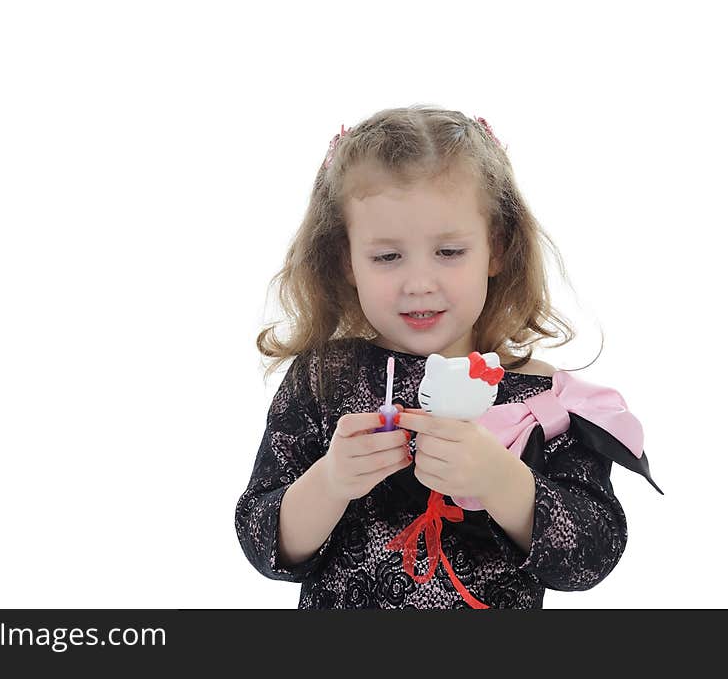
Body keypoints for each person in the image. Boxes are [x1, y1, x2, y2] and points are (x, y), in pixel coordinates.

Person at [234, 105, 661, 609]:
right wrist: (329, 482)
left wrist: (499, 479)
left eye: (449, 252)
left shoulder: (545, 399)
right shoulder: (324, 377)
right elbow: (262, 542)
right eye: (387, 256)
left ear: (496, 249)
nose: (419, 283)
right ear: (347, 261)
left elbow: (592, 556)